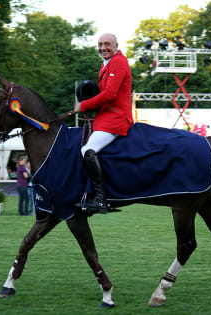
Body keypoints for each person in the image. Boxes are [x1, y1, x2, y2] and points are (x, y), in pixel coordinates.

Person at [73, 33, 133, 214]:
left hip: (116, 118)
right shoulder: (106, 64)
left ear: (116, 45)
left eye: (107, 44)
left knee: (87, 151)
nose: (103, 48)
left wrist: (83, 105)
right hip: (105, 116)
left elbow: (110, 95)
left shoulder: (118, 62)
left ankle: (100, 200)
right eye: (100, 44)